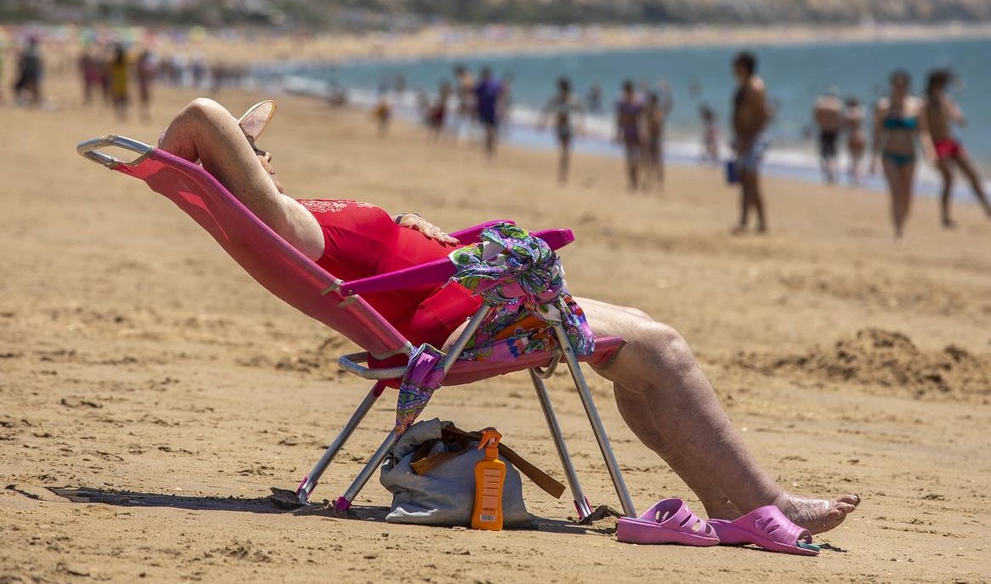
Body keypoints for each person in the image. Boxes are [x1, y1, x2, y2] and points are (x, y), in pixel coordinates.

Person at [156, 97, 861, 534]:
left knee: (642, 347)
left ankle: (742, 503)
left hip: (454, 300)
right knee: (662, 346)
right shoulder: (292, 223)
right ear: (241, 170)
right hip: (471, 318)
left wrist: (436, 236)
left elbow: (377, 258)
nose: (272, 158)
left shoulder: (295, 222)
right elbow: (200, 114)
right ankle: (769, 504)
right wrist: (201, 147)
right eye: (259, 154)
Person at [923, 69, 991, 227]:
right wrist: (929, 150)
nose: (944, 86)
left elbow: (959, 119)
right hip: (937, 145)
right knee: (948, 179)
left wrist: (957, 115)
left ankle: (988, 208)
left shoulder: (946, 100)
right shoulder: (926, 103)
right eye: (943, 83)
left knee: (972, 174)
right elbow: (923, 130)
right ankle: (945, 217)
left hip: (951, 142)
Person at [870, 70, 934, 239]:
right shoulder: (882, 107)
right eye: (896, 85)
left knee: (907, 193)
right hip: (889, 155)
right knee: (895, 191)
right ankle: (897, 229)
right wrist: (872, 159)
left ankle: (902, 223)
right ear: (891, 86)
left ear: (908, 86)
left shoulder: (917, 106)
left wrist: (930, 151)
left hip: (910, 155)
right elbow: (877, 134)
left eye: (903, 85)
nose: (899, 88)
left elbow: (924, 132)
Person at [730, 51, 771, 234]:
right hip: (744, 138)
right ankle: (745, 220)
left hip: (752, 139)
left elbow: (763, 115)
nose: (733, 69)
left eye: (736, 65)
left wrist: (749, 138)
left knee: (752, 181)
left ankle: (761, 222)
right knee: (745, 181)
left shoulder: (755, 87)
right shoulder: (744, 86)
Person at [540, 77, 584, 183]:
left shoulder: (571, 100)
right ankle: (563, 173)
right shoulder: (558, 99)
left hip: (568, 127)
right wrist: (543, 122)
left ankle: (563, 173)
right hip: (559, 127)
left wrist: (580, 125)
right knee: (564, 150)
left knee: (565, 150)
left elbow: (581, 111)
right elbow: (547, 109)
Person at [641, 81, 673, 191]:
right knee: (653, 162)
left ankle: (656, 184)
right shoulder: (651, 111)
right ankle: (653, 183)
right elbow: (669, 105)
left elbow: (669, 106)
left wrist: (667, 91)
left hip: (654, 139)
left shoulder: (653, 111)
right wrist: (667, 91)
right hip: (654, 139)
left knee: (653, 162)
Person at [615, 81, 646, 190]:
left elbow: (643, 119)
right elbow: (620, 119)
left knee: (636, 159)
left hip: (637, 132)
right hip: (628, 132)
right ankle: (631, 181)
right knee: (629, 158)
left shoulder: (637, 103)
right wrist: (618, 133)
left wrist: (644, 132)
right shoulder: (623, 104)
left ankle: (635, 179)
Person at [811, 88, 843, 185]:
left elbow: (816, 117)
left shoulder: (821, 104)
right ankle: (832, 175)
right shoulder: (837, 105)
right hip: (834, 131)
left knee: (824, 154)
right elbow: (840, 120)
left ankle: (827, 175)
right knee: (833, 154)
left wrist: (822, 123)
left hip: (824, 130)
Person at [474, 67, 503, 159]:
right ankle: (491, 151)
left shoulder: (482, 84)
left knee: (489, 132)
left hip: (488, 111)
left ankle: (489, 152)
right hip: (492, 111)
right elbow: (502, 94)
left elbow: (475, 96)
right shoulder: (495, 84)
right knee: (491, 132)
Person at [13, 37, 44, 106]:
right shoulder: (35, 52)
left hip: (28, 72)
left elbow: (20, 63)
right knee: (33, 87)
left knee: (28, 87)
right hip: (31, 72)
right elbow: (39, 64)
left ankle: (31, 100)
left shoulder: (27, 51)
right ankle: (34, 100)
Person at [843, 96, 866, 185]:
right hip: (862, 135)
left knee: (853, 159)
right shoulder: (861, 112)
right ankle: (860, 178)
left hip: (852, 135)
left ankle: (856, 178)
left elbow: (844, 126)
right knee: (860, 158)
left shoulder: (848, 113)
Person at [107, 43, 131, 120]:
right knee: (124, 99)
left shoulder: (114, 62)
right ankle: (124, 112)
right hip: (124, 82)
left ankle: (118, 112)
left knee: (117, 98)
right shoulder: (125, 61)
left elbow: (108, 67)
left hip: (116, 82)